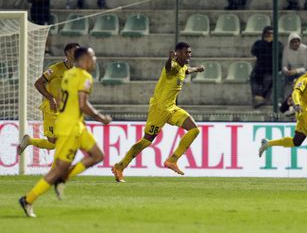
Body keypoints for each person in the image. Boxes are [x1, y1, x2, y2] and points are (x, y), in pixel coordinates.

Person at [19, 47, 112, 218]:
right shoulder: (85, 77)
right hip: (69, 127)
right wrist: (100, 118)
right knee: (58, 169)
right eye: (92, 57)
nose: (95, 60)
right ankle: (28, 199)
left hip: (75, 124)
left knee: (97, 155)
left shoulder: (69, 75)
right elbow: (83, 104)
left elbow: (64, 98)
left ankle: (64, 178)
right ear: (84, 60)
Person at [111, 42, 205, 182]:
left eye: (190, 52)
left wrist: (197, 69)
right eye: (186, 52)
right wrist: (169, 59)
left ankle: (172, 160)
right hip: (159, 109)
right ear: (178, 53)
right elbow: (169, 68)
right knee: (147, 141)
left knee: (194, 129)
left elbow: (185, 70)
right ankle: (120, 166)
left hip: (171, 108)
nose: (189, 55)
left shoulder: (182, 66)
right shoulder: (172, 66)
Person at [17, 43, 80, 155]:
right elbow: (38, 83)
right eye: (75, 51)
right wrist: (51, 98)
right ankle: (29, 141)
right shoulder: (55, 68)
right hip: (51, 109)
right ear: (68, 53)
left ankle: (29, 141)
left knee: (57, 143)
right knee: (52, 143)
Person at [250, 26, 283, 108]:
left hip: (272, 69)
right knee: (253, 77)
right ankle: (257, 96)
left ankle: (259, 97)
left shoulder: (278, 44)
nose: (270, 35)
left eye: (272, 34)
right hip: (260, 68)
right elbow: (254, 51)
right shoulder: (259, 43)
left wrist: (271, 43)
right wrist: (265, 43)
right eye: (268, 33)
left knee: (268, 79)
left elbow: (275, 54)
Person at [282, 32, 307, 98]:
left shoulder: (305, 49)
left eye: (297, 41)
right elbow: (284, 64)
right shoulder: (286, 49)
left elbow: (306, 66)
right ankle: (285, 99)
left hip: (302, 72)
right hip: (291, 72)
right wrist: (286, 70)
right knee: (283, 78)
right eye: (294, 42)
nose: (296, 43)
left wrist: (296, 71)